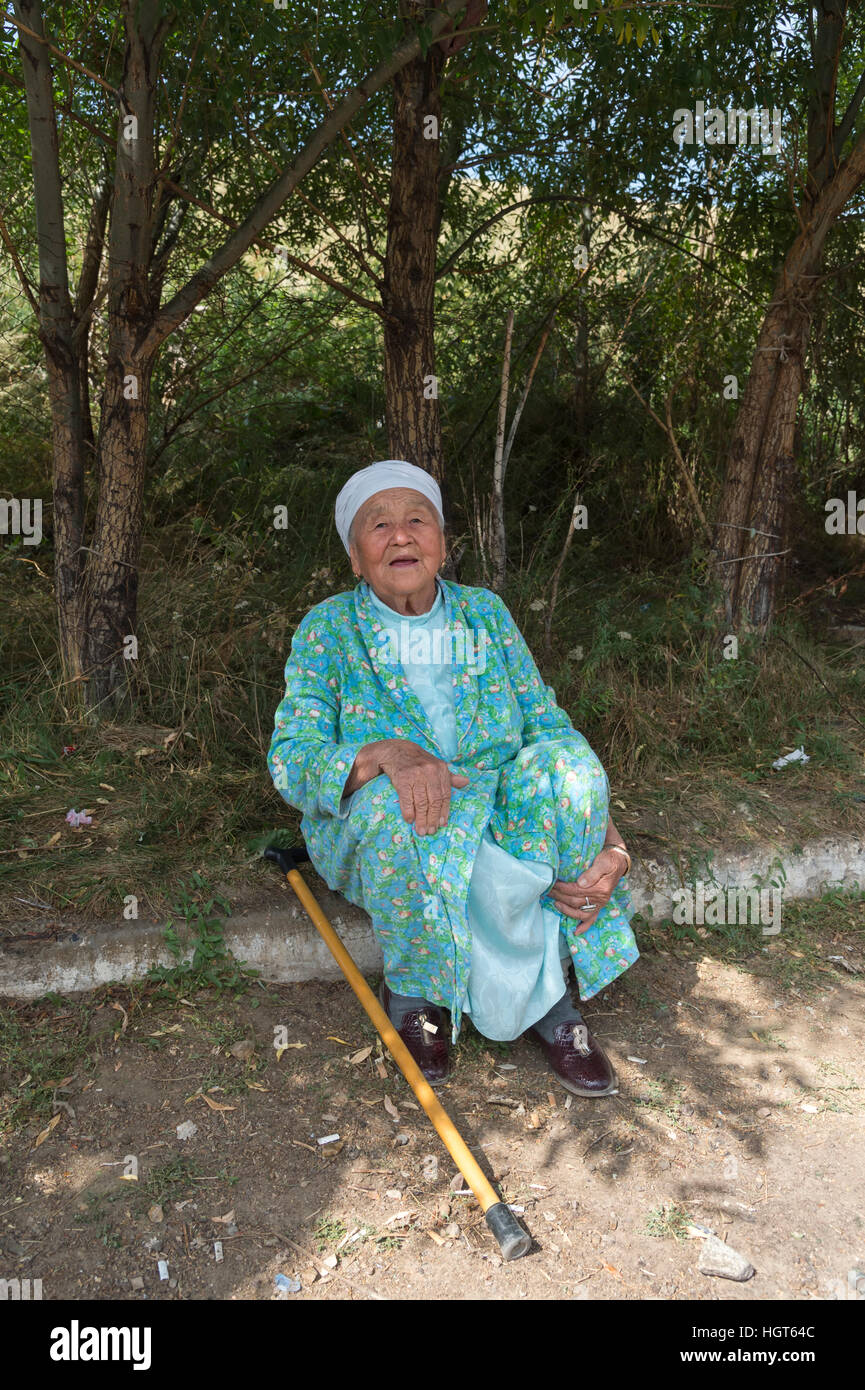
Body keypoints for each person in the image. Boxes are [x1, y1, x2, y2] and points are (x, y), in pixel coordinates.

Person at [268, 460, 638, 1095]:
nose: (401, 536)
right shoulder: (328, 630)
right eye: (378, 525)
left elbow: (549, 729)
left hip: (494, 807)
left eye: (417, 520)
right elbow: (292, 760)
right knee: (401, 808)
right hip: (403, 820)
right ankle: (418, 993)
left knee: (572, 769)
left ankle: (550, 992)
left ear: (441, 541)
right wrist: (383, 753)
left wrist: (613, 844)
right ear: (355, 558)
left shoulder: (485, 615)